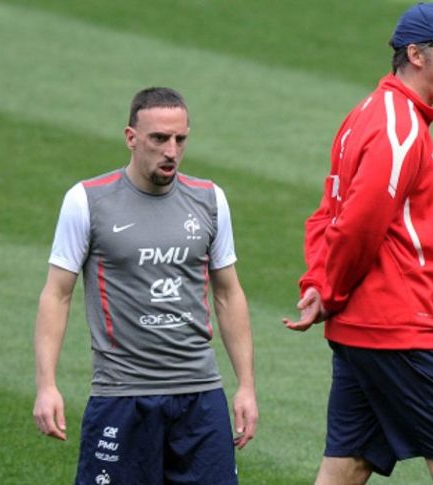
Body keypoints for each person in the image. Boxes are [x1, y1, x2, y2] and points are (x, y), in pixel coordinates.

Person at [282, 3, 433, 484]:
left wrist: (320, 283)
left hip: (364, 329)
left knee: (346, 467)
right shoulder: (398, 128)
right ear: (416, 55)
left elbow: (326, 213)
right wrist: (327, 290)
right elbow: (357, 223)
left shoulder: (364, 115)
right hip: (397, 328)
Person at [33, 87, 257, 484]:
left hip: (200, 395)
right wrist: (46, 385)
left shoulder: (210, 200)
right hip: (122, 396)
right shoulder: (88, 201)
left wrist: (246, 387)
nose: (171, 150)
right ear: (131, 138)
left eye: (180, 139)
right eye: (159, 139)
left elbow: (228, 292)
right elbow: (57, 293)